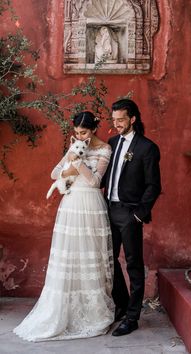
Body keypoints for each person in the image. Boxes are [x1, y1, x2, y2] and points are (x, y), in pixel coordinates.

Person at [14, 111, 114, 341]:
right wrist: (68, 168)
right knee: (70, 255)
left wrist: (77, 164)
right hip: (70, 204)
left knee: (90, 254)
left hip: (90, 204)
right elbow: (54, 173)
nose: (79, 136)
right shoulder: (74, 145)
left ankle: (93, 311)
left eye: (84, 132)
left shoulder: (104, 149)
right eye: (76, 132)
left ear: (93, 130)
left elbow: (95, 181)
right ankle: (63, 311)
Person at [103, 99, 161, 336]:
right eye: (114, 119)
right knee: (109, 260)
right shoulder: (112, 142)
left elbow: (153, 186)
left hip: (130, 214)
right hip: (109, 209)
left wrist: (138, 214)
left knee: (134, 264)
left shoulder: (147, 148)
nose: (116, 124)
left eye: (121, 120)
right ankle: (123, 304)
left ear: (133, 119)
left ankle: (133, 317)